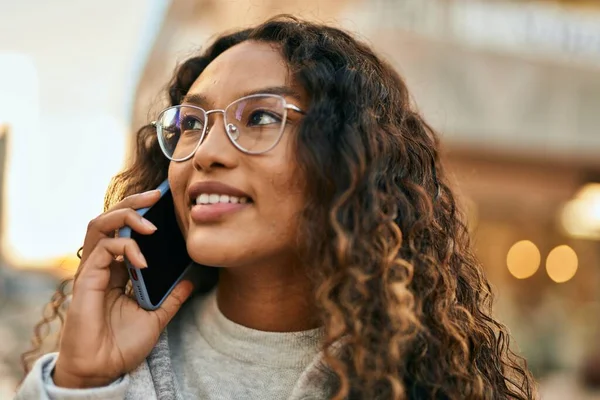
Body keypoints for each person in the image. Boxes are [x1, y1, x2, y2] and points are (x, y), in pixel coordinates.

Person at [16, 15, 536, 400]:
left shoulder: (420, 378)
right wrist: (80, 383)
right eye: (192, 123)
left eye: (261, 117)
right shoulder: (112, 365)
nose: (208, 152)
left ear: (345, 156)